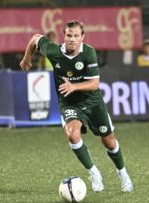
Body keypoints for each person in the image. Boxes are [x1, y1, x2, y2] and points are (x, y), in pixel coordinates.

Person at [20, 20, 133, 192]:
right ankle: (94, 172)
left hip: (93, 102)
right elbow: (36, 39)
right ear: (64, 36)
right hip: (69, 103)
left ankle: (122, 173)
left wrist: (74, 86)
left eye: (76, 36)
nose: (72, 39)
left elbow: (95, 83)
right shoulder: (54, 51)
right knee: (73, 135)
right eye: (69, 35)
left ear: (82, 37)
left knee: (109, 141)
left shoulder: (88, 53)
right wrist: (26, 58)